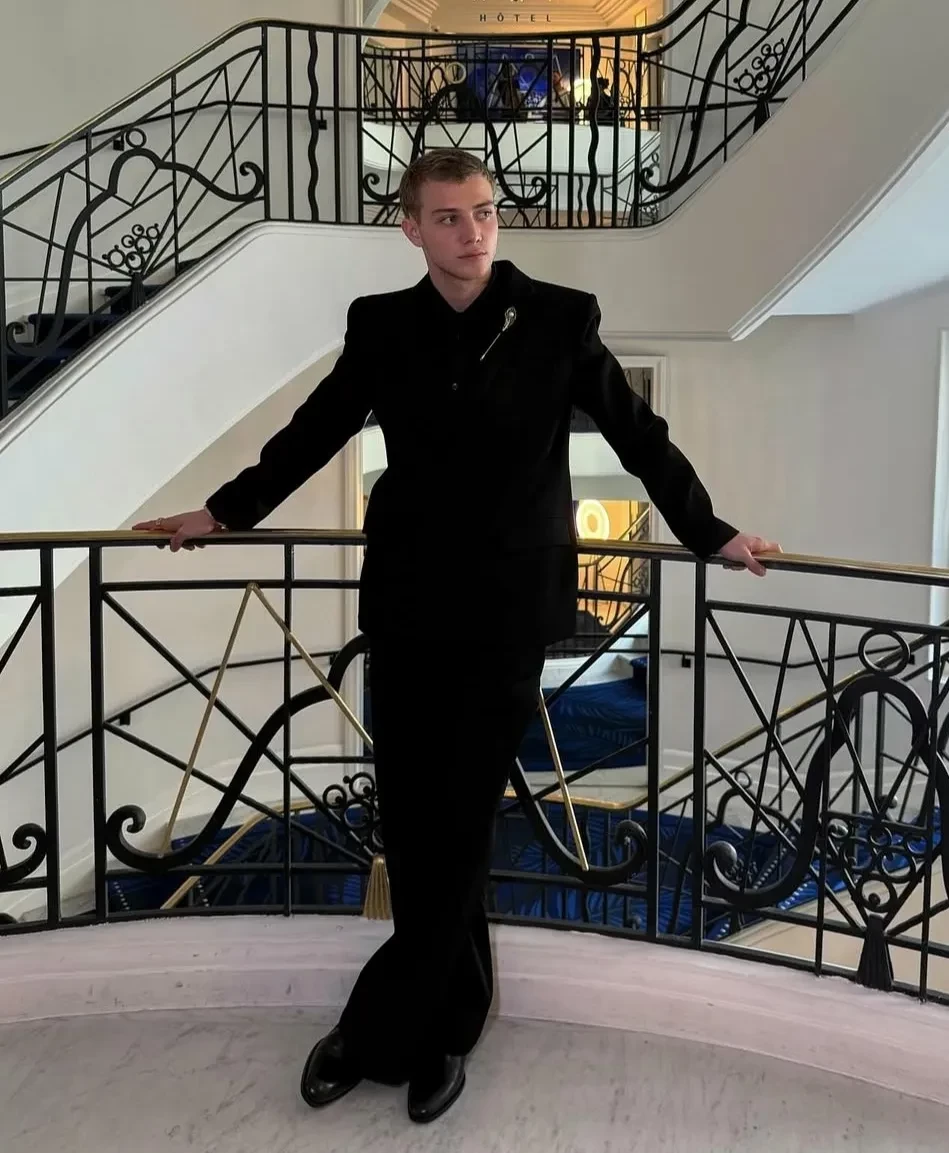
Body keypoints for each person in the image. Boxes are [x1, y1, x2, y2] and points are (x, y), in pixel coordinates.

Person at [134, 148, 780, 1124]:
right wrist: (223, 511)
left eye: (482, 211)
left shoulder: (560, 317)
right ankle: (450, 1023)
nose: (472, 230)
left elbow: (637, 433)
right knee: (413, 820)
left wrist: (709, 531)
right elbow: (314, 428)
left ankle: (382, 1033)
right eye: (447, 216)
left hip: (508, 609)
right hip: (405, 601)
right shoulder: (380, 324)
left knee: (461, 822)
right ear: (411, 228)